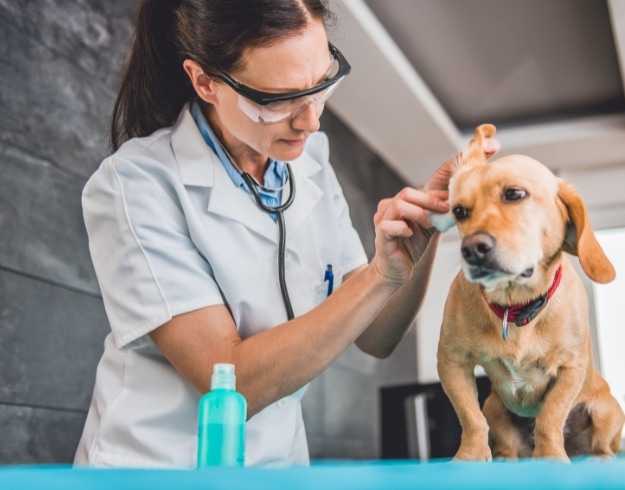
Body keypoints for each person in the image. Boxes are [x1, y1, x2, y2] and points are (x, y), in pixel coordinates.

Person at [74, 0, 500, 469]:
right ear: (204, 82)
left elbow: (376, 335)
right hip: (161, 470)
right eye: (277, 100)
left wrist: (425, 232)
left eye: (321, 85)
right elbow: (229, 381)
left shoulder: (311, 161)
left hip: (280, 467)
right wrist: (378, 275)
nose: (311, 121)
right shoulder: (137, 182)